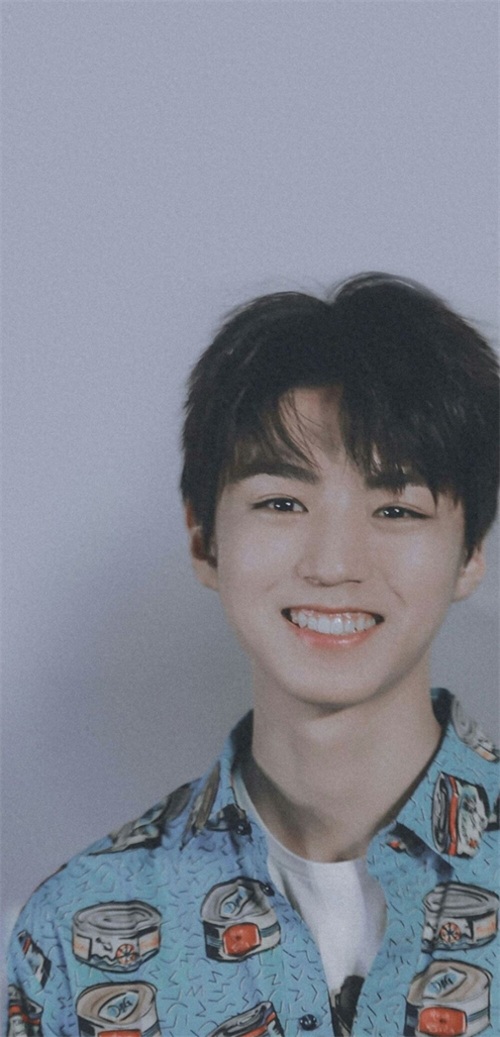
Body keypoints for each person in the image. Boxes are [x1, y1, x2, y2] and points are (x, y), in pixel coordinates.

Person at [6, 273, 499, 1037]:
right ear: (203, 537)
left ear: (470, 554)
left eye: (396, 508)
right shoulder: (77, 926)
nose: (334, 562)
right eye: (282, 502)